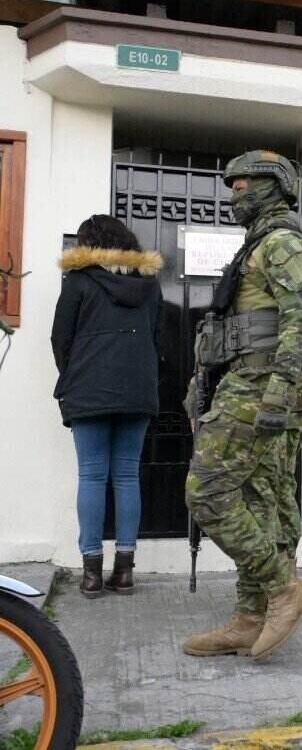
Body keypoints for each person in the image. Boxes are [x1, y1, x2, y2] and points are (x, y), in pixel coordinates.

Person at [182, 150, 302, 660]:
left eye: (242, 186)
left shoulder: (282, 241)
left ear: (273, 185)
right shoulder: (259, 243)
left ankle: (282, 588)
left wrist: (279, 390)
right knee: (262, 503)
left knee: (208, 491)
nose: (233, 195)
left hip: (266, 385)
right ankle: (249, 618)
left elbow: (301, 317)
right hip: (245, 381)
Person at [52, 215, 162, 598]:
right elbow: (156, 335)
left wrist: (77, 375)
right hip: (138, 389)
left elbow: (60, 338)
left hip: (89, 389)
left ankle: (91, 575)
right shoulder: (148, 285)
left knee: (92, 476)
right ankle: (126, 572)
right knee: (127, 476)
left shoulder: (79, 281)